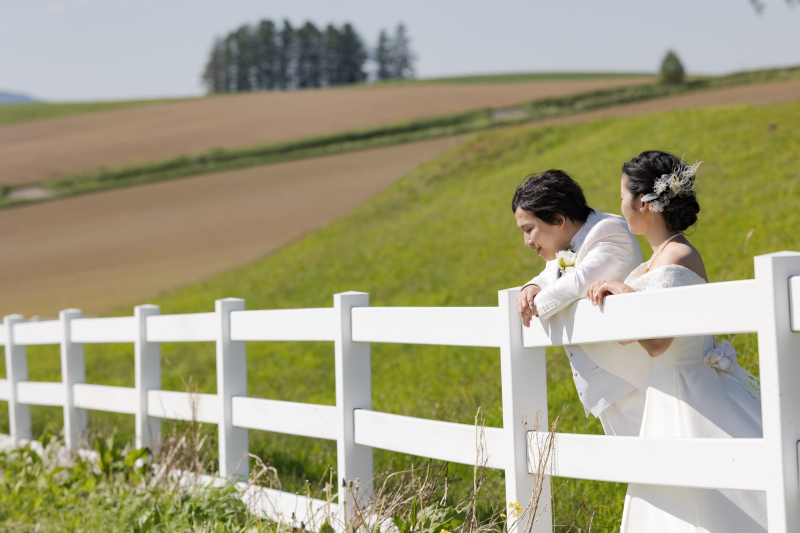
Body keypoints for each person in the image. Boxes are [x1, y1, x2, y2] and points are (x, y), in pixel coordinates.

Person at [586, 150, 766, 532]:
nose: (619, 206)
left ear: (646, 204)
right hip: (664, 391)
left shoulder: (678, 257)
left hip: (689, 392)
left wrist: (623, 295)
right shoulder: (651, 263)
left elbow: (657, 343)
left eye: (622, 196)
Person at [512, 169, 646, 435]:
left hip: (633, 380)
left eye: (529, 230)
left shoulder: (609, 232)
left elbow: (577, 283)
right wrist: (533, 286)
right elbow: (552, 273)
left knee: (657, 467)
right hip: (608, 388)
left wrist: (534, 306)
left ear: (559, 219)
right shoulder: (571, 241)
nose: (527, 241)